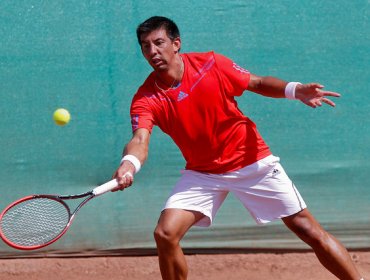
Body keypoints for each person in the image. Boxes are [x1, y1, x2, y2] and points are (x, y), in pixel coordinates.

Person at [112, 16, 364, 280]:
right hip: (203, 173)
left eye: (158, 43)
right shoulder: (146, 97)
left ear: (176, 44)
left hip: (251, 161)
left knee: (307, 229)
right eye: (145, 46)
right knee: (165, 233)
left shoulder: (211, 63)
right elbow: (140, 139)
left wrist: (294, 90)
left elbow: (255, 82)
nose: (152, 52)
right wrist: (130, 163)